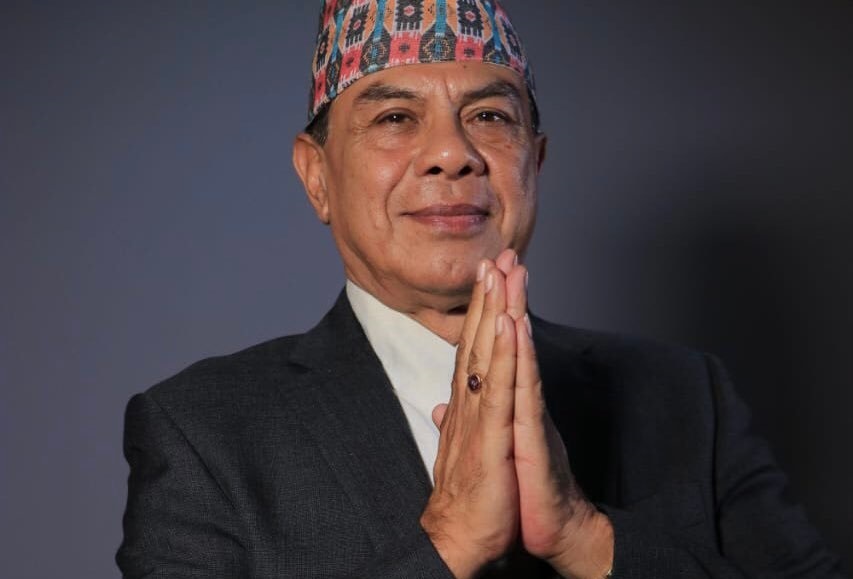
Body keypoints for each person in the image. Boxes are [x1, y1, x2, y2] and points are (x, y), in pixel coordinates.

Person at [116, 1, 845, 577]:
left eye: (490, 117)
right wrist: (449, 541)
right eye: (395, 118)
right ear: (317, 176)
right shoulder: (204, 430)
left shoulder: (685, 397)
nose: (451, 153)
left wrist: (585, 537)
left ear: (534, 162)